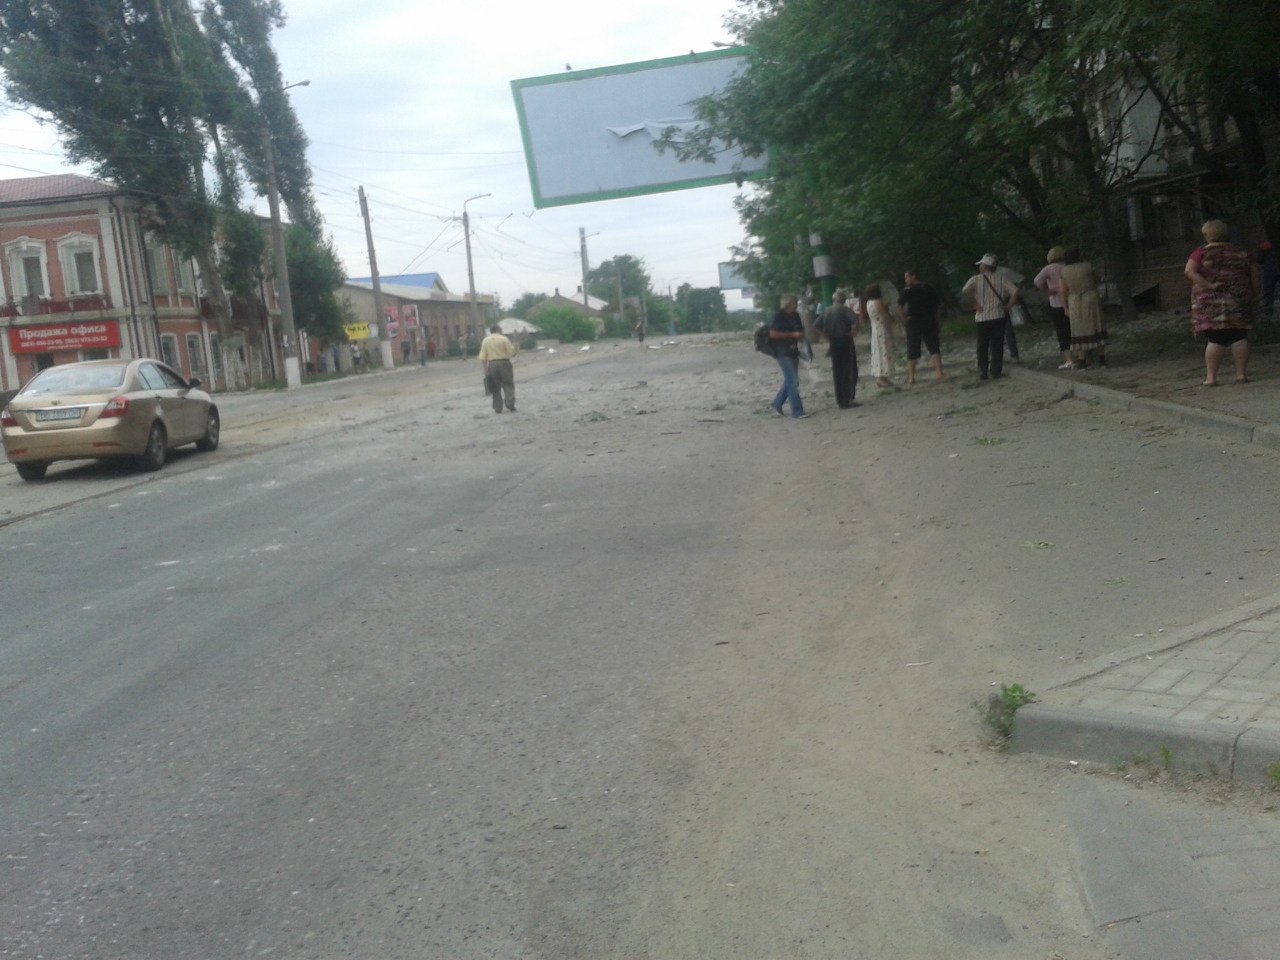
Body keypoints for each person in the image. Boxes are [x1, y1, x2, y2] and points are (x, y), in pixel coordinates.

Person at [1185, 220, 1257, 385]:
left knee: (1215, 339)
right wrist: (1253, 292)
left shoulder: (1200, 253)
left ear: (1207, 235)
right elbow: (1255, 274)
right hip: (1238, 299)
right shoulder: (1243, 253)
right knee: (1239, 336)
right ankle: (1241, 375)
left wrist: (1208, 285)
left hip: (1210, 303)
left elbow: (1189, 271)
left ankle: (1211, 377)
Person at [961, 254, 1018, 381]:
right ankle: (996, 371)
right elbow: (1015, 291)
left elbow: (965, 291)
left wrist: (975, 304)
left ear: (985, 267)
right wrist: (1008, 306)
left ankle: (983, 371)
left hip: (982, 317)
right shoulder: (1001, 279)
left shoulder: (975, 279)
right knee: (997, 344)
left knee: (982, 345)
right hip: (998, 316)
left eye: (981, 265)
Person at [1058, 248, 1108, 368]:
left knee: (1078, 329)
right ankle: (1101, 358)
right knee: (1096, 325)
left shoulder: (1064, 271)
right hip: (1091, 297)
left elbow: (1063, 290)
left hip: (1074, 299)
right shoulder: (1088, 266)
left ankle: (1082, 359)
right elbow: (1098, 279)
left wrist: (1065, 306)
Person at [897, 270, 946, 384]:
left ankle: (911, 377)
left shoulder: (907, 290)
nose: (905, 280)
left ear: (913, 276)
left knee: (912, 348)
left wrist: (904, 319)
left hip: (914, 321)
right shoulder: (929, 287)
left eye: (906, 277)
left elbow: (899, 306)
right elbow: (938, 304)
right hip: (929, 320)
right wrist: (937, 318)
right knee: (934, 346)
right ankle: (939, 372)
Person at [768, 294, 808, 418]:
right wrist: (792, 335)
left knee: (791, 380)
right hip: (782, 352)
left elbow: (801, 330)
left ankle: (777, 403)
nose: (795, 306)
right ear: (787, 304)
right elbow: (773, 334)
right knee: (793, 380)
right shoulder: (779, 316)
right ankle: (797, 411)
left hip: (793, 350)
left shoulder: (795, 315)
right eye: (793, 304)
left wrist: (801, 336)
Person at [1034, 246, 1073, 369]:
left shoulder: (1048, 269)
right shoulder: (1069, 266)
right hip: (1072, 301)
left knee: (1062, 332)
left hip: (1056, 302)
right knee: (1074, 330)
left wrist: (1048, 290)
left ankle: (1069, 359)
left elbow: (1037, 281)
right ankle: (1082, 356)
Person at [821, 288, 860, 408]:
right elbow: (855, 321)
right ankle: (848, 399)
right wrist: (854, 331)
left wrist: (827, 336)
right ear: (843, 300)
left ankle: (840, 400)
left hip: (833, 342)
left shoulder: (826, 311)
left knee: (837, 371)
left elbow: (816, 325)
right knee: (849, 370)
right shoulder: (845, 310)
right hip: (845, 341)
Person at [478, 324, 518, 412]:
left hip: (492, 364)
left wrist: (485, 371)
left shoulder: (485, 341)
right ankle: (510, 403)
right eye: (501, 329)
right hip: (504, 363)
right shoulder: (504, 339)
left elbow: (483, 357)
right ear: (498, 330)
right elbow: (512, 353)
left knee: (495, 386)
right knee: (508, 383)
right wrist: (515, 348)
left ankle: (497, 407)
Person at [862, 283, 896, 388]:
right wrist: (891, 318)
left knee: (878, 353)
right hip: (882, 330)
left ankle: (879, 377)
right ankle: (882, 377)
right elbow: (885, 315)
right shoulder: (878, 302)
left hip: (875, 329)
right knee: (884, 352)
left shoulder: (869, 303)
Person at [1256, 240, 1277, 319]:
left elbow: (1259, 260)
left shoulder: (1265, 246)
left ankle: (1268, 313)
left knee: (1268, 294)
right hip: (1272, 270)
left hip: (1269, 272)